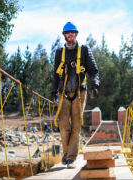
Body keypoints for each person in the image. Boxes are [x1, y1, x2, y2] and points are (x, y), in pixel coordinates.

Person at [51, 22, 99, 168]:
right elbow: (55, 75)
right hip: (63, 93)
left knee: (76, 125)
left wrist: (95, 85)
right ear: (64, 35)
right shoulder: (59, 52)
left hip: (79, 93)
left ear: (76, 34)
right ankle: (65, 153)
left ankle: (71, 157)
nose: (70, 35)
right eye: (67, 33)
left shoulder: (84, 50)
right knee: (63, 124)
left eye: (72, 32)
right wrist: (54, 90)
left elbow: (93, 70)